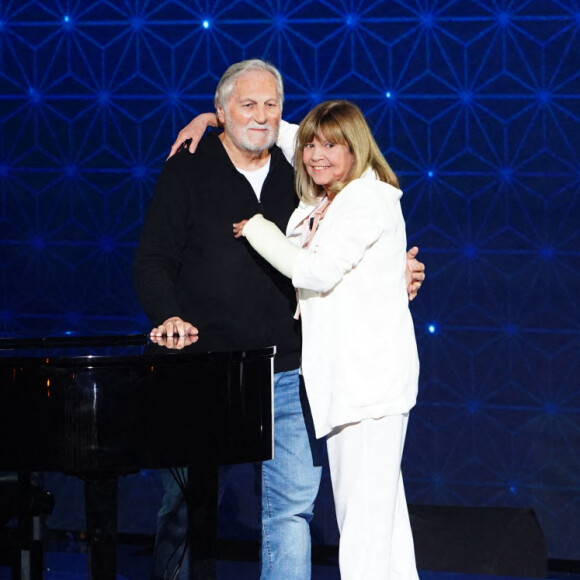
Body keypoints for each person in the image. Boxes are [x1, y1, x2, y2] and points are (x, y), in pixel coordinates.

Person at [135, 59, 425, 579]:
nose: (262, 116)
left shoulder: (303, 173)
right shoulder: (191, 166)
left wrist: (391, 268)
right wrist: (168, 313)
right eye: (247, 104)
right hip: (208, 367)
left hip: (292, 371)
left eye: (272, 105)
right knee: (184, 508)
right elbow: (153, 258)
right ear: (224, 111)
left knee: (292, 511)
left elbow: (331, 163)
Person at [232, 100, 420, 580]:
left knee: (363, 525)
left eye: (331, 146)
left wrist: (258, 229)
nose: (316, 156)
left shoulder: (365, 199)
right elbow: (289, 134)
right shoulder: (331, 196)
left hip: (368, 385)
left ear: (355, 148)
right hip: (347, 384)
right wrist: (216, 118)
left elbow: (314, 270)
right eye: (312, 146)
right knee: (381, 521)